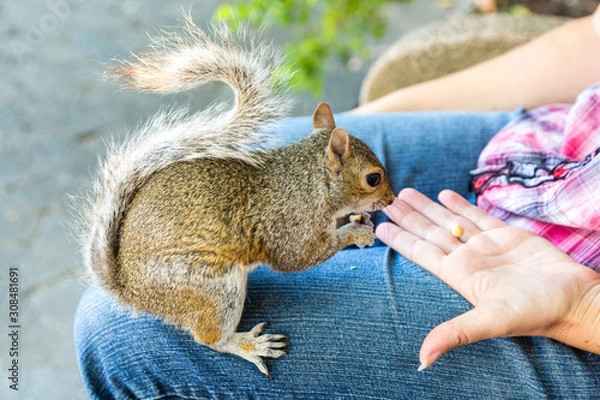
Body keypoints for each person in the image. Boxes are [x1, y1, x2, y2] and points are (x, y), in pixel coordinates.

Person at [74, 6, 600, 399]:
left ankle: (219, 339)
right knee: (272, 136)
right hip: (562, 146)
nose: (384, 196)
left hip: (580, 279)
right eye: (376, 183)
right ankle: (219, 334)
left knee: (118, 333)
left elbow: (288, 257)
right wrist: (376, 119)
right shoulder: (321, 172)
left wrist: (581, 306)